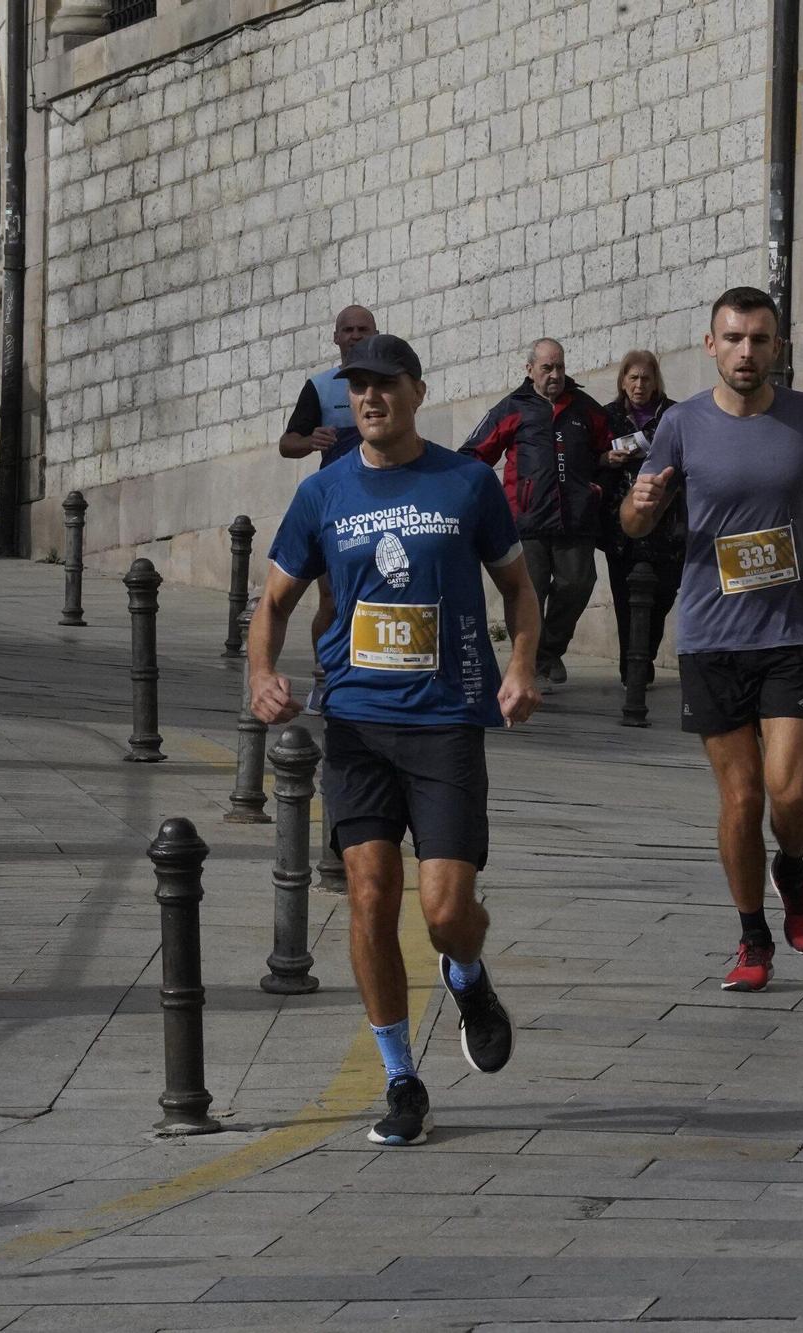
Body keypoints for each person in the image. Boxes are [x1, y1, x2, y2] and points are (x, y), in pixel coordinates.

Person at [247, 333, 542, 1147]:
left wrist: (520, 665)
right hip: (357, 726)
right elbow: (272, 601)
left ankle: (468, 977)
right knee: (371, 895)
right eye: (358, 388)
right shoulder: (325, 493)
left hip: (447, 722)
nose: (369, 399)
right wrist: (261, 673)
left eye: (385, 385)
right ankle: (401, 1078)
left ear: (416, 391)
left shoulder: (467, 482)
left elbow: (518, 588)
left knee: (447, 911)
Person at [621, 287, 803, 993]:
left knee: (789, 793)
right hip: (709, 634)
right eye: (733, 339)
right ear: (710, 345)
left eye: (759, 339)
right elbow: (637, 523)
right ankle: (753, 934)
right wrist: (636, 508)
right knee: (740, 797)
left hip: (788, 630)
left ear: (777, 347)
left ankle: (792, 864)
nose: (746, 352)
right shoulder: (681, 425)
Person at [462, 338, 614, 687]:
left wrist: (599, 486)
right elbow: (473, 454)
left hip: (576, 520)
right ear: (530, 370)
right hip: (525, 521)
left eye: (560, 366)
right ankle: (524, 665)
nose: (556, 374)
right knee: (526, 594)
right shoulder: (513, 407)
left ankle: (549, 651)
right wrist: (483, 500)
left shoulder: (584, 408)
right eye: (547, 367)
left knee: (577, 584)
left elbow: (613, 450)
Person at [279, 305, 378, 670]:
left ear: (376, 335)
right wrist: (310, 439)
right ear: (336, 337)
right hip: (335, 507)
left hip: (383, 502)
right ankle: (324, 678)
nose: (354, 336)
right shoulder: (320, 387)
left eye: (362, 329)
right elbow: (286, 445)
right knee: (333, 599)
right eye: (347, 330)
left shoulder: (388, 383)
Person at [598, 350, 682, 678]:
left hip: (667, 522)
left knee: (662, 595)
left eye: (646, 378)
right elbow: (590, 459)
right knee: (624, 598)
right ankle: (631, 671)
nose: (639, 384)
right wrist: (605, 459)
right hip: (621, 525)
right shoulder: (607, 417)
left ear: (655, 381)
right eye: (632, 377)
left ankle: (644, 655)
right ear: (622, 381)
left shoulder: (674, 415)